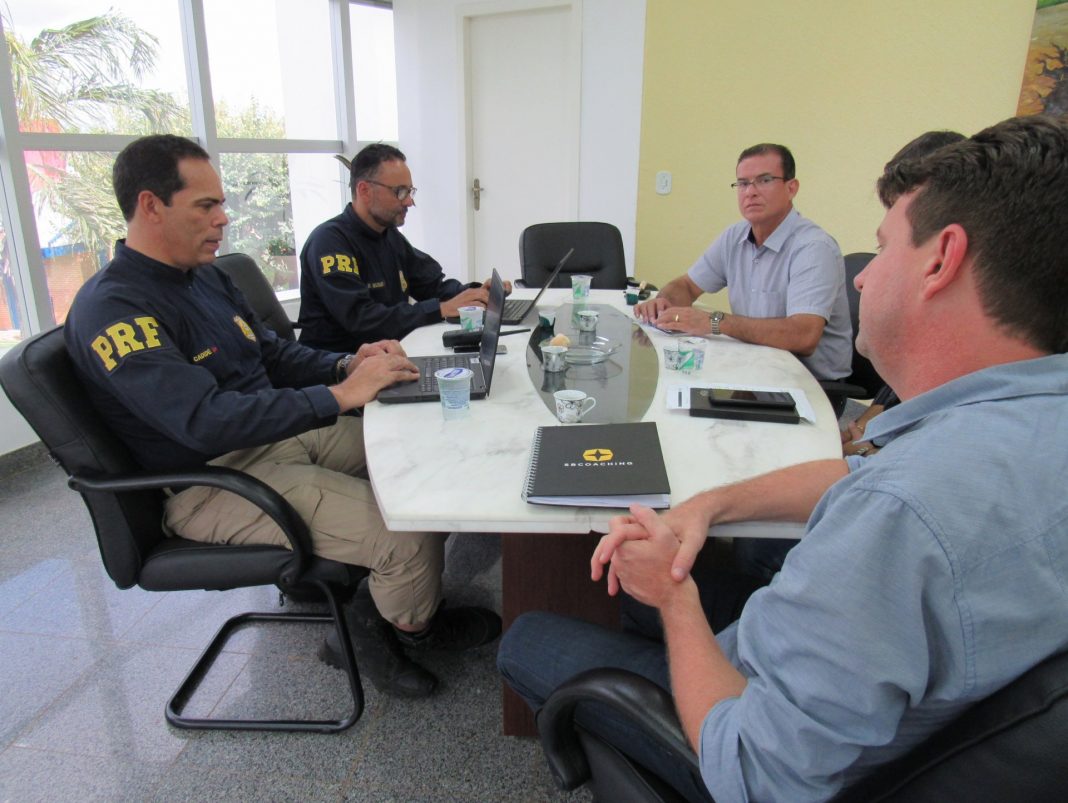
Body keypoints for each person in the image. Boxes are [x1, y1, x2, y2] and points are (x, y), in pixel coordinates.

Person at [498, 115, 1068, 802]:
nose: (864, 279)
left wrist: (677, 603)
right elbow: (857, 471)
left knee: (529, 634)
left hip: (749, 734)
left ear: (941, 259)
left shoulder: (898, 517)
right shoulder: (1018, 428)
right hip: (841, 680)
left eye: (884, 247)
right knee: (626, 585)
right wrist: (708, 504)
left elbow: (755, 772)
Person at [64, 135, 500, 700]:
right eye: (206, 206)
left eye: (221, 204)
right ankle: (402, 630)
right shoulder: (114, 308)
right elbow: (205, 421)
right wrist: (339, 396)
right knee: (407, 532)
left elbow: (271, 353)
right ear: (151, 206)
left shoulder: (206, 276)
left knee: (432, 459)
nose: (223, 219)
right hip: (210, 479)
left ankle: (392, 602)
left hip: (274, 437)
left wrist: (346, 363)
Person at [634, 143, 852, 384]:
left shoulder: (813, 247)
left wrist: (714, 322)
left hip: (808, 385)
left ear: (791, 188)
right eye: (743, 183)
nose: (751, 192)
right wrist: (664, 302)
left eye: (764, 180)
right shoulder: (734, 236)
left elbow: (804, 336)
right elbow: (686, 285)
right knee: (670, 383)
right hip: (752, 369)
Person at [297, 143, 505, 351]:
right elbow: (362, 319)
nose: (409, 202)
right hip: (340, 363)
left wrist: (476, 293)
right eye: (400, 192)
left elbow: (432, 286)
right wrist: (441, 309)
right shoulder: (329, 242)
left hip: (389, 353)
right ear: (364, 191)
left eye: (410, 191)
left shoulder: (388, 235)